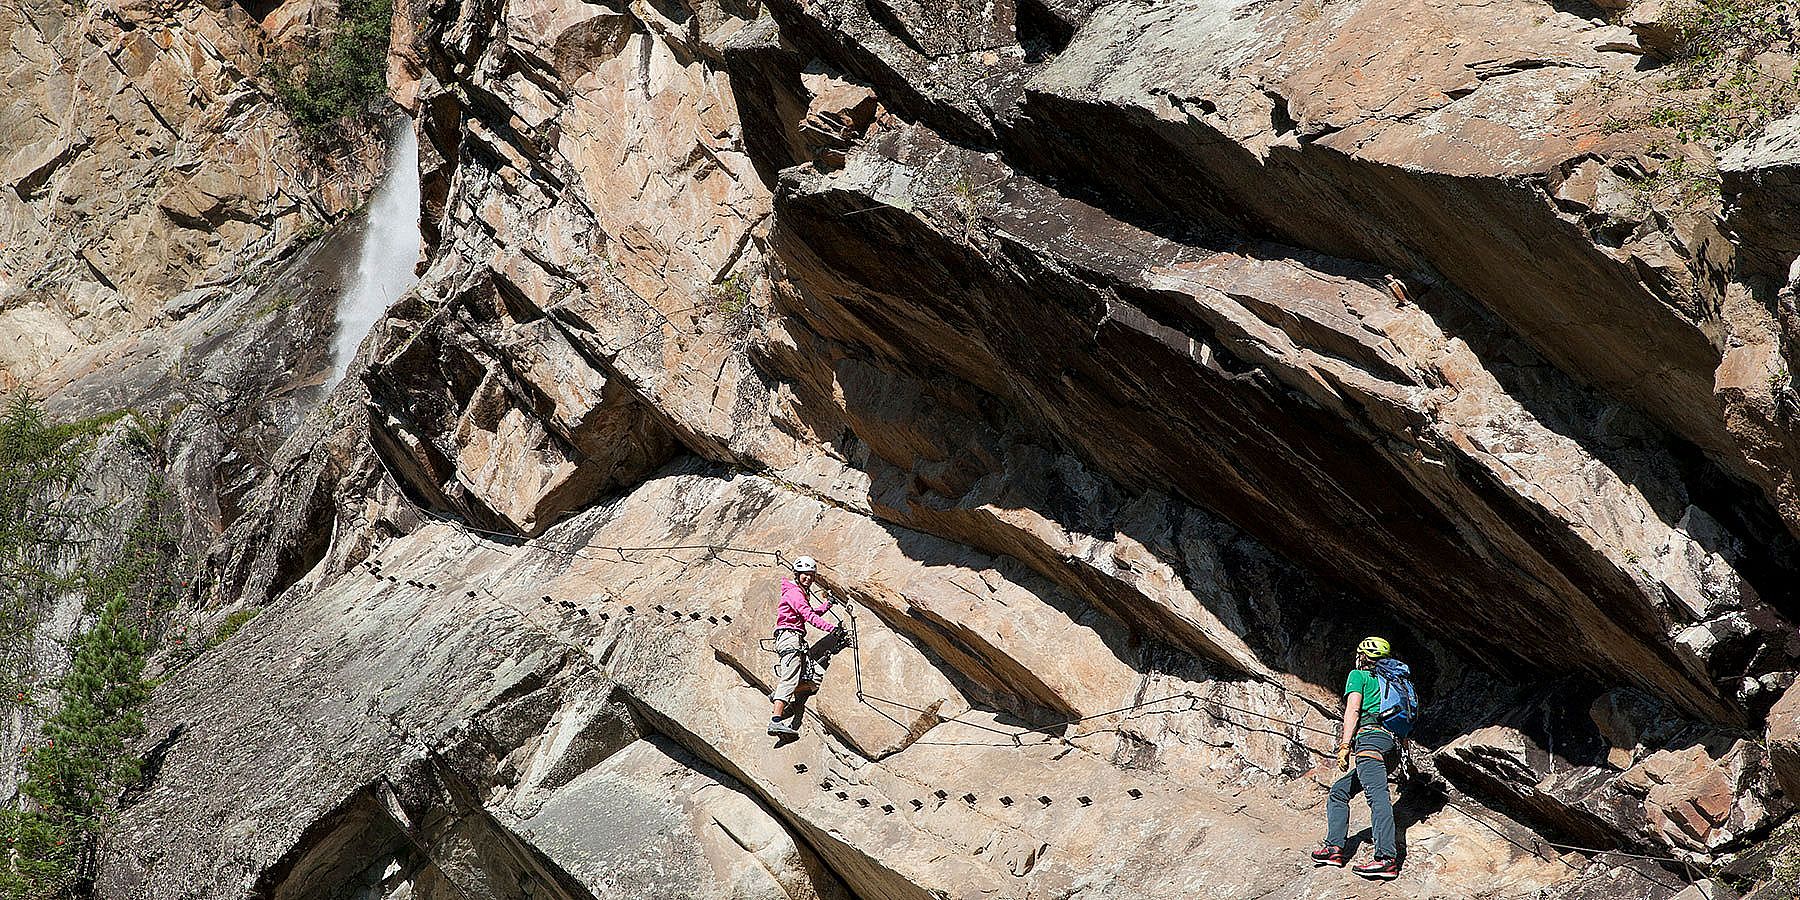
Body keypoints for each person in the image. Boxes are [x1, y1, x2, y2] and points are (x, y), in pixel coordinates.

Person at [1311, 636, 1402, 880]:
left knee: (1378, 797)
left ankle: (1386, 859)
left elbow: (1353, 709)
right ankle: (1334, 848)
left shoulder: (1359, 676)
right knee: (1339, 791)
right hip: (1391, 747)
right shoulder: (1393, 682)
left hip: (1369, 742)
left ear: (1363, 656)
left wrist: (1344, 745)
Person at [768, 556, 841, 736]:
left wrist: (828, 605)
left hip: (796, 639)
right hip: (789, 637)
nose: (808, 578)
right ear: (797, 574)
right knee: (790, 677)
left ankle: (781, 697)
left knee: (815, 678)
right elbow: (808, 616)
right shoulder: (794, 592)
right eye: (804, 575)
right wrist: (832, 629)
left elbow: (810, 611)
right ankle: (775, 720)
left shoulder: (800, 593)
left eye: (810, 575)